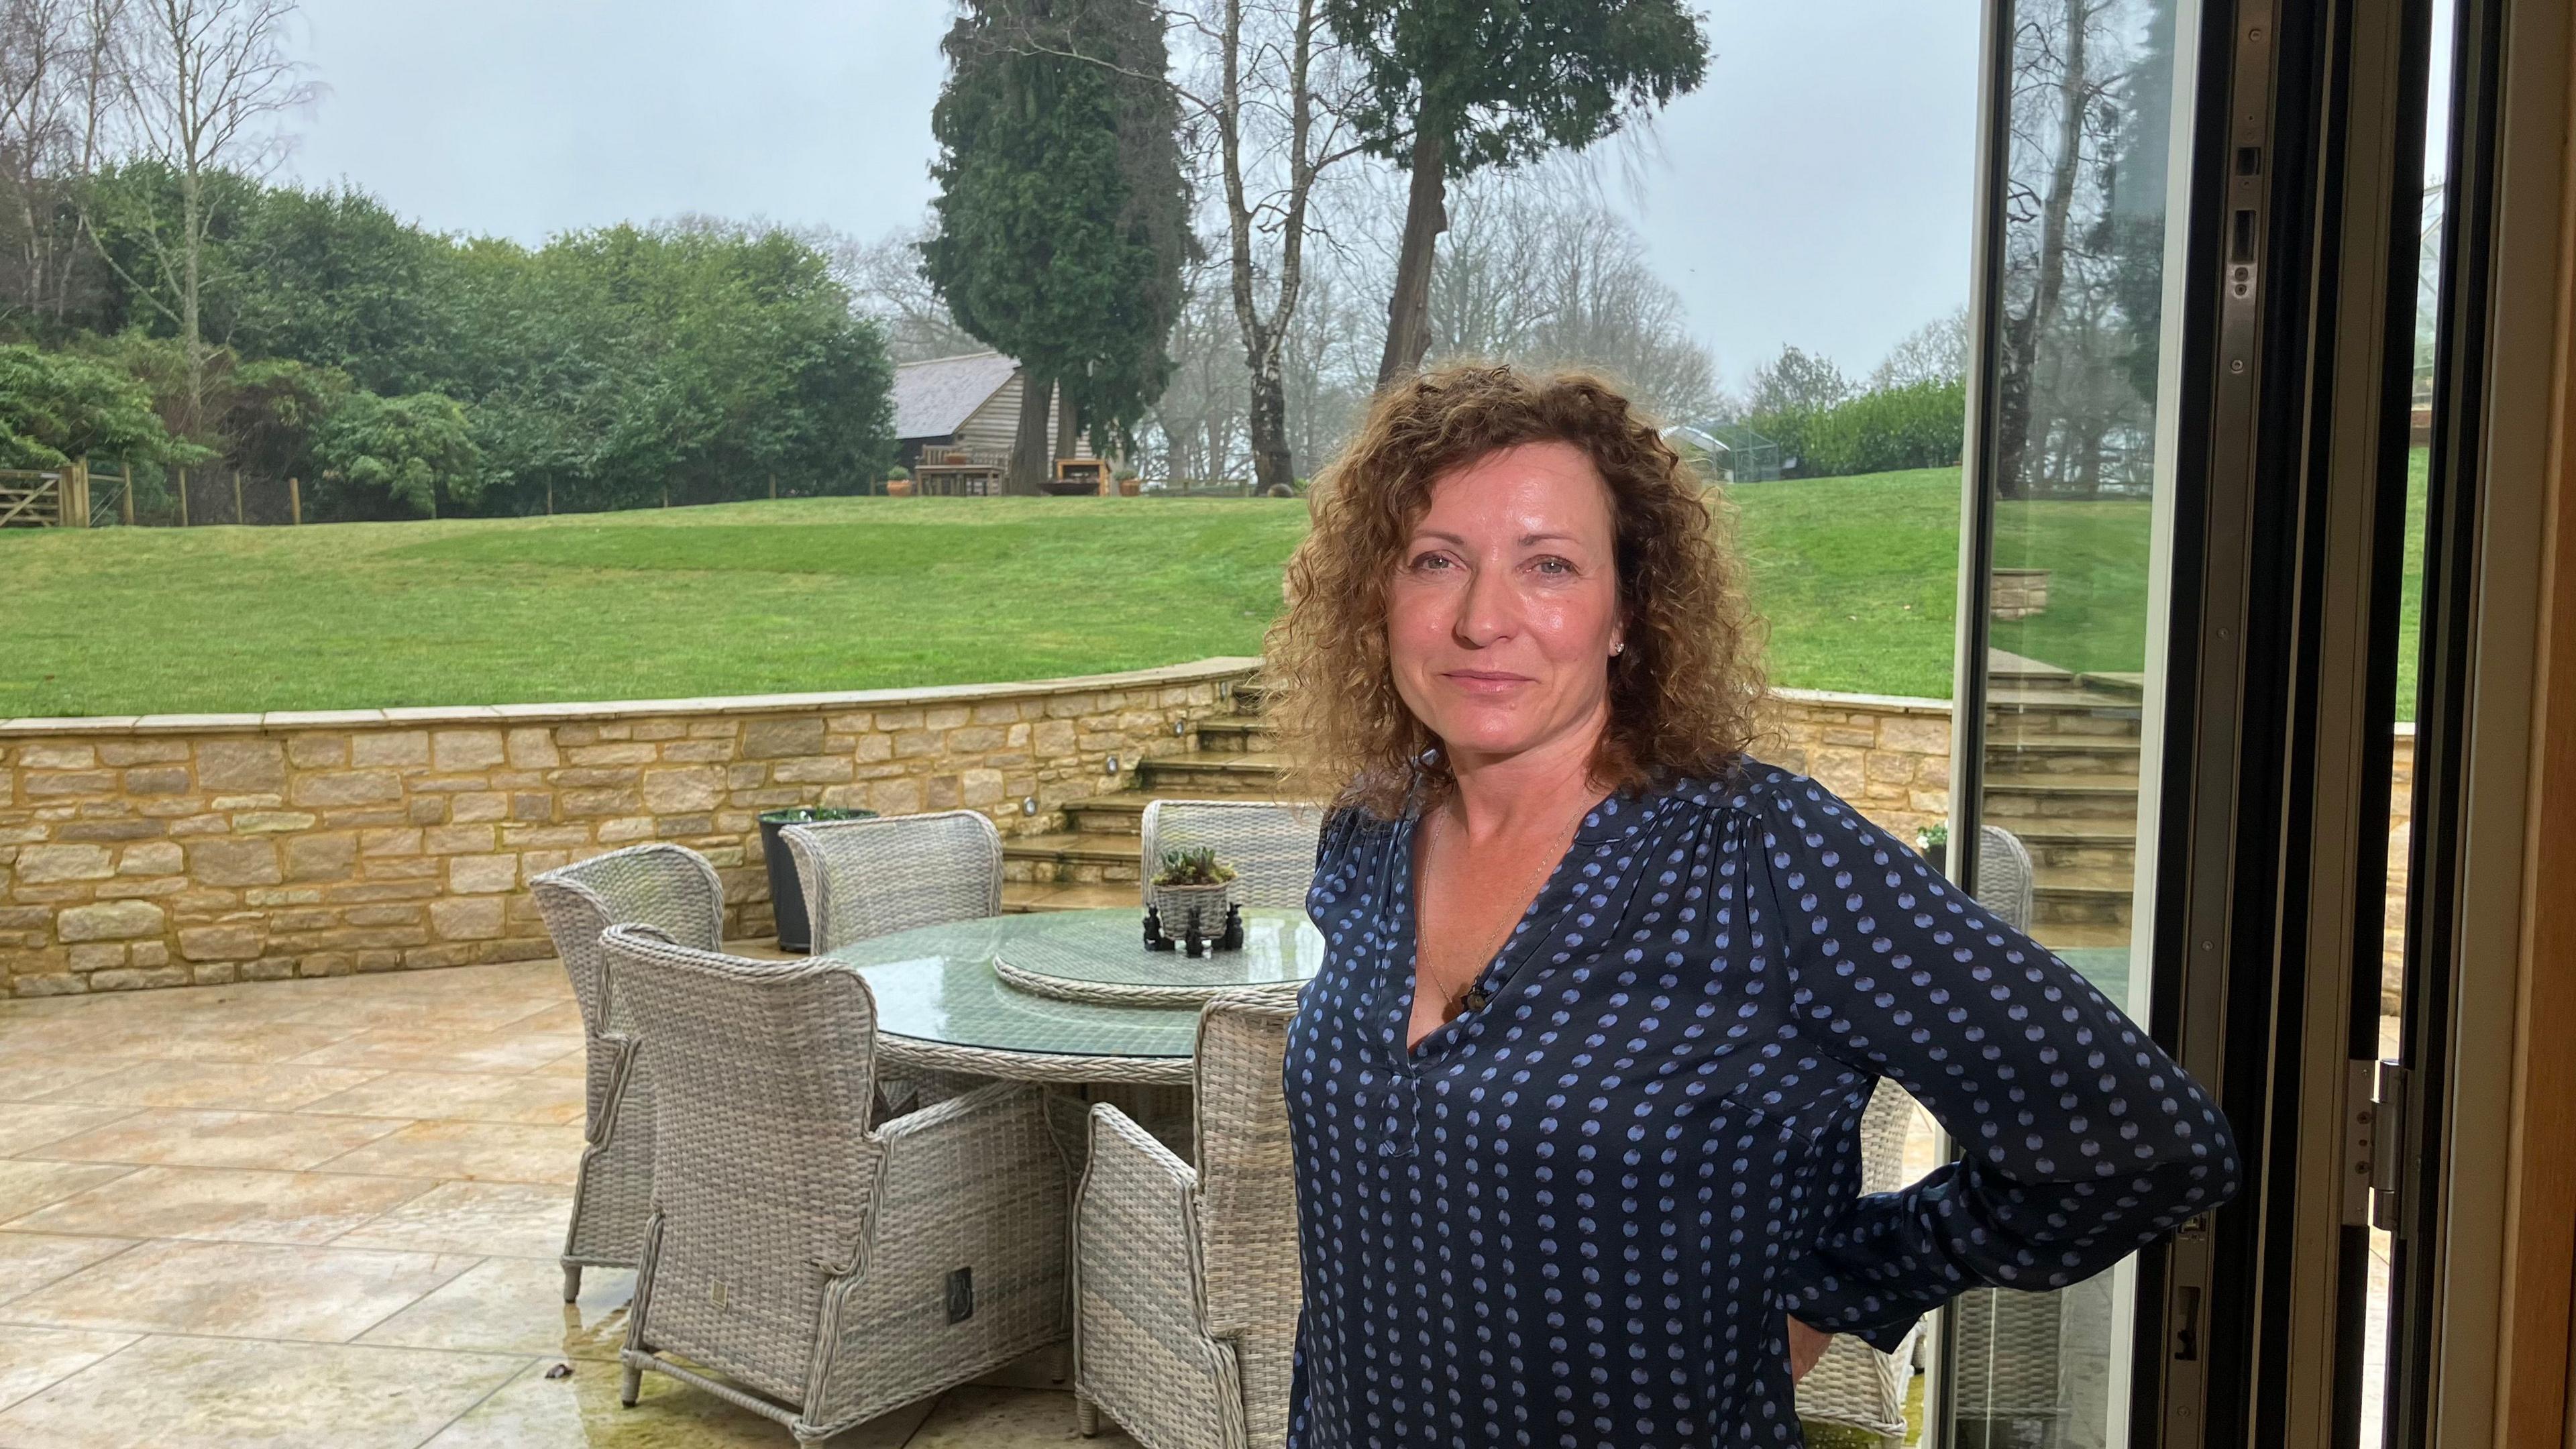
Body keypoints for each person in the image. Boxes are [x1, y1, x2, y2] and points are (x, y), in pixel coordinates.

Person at [1261, 364, 2237, 1447]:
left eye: (1549, 565)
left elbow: (2145, 1141)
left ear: (1628, 610)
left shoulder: (1768, 858)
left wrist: (1840, 1287)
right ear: (1378, 595)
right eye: (1435, 560)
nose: (1484, 618)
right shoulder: (1371, 830)